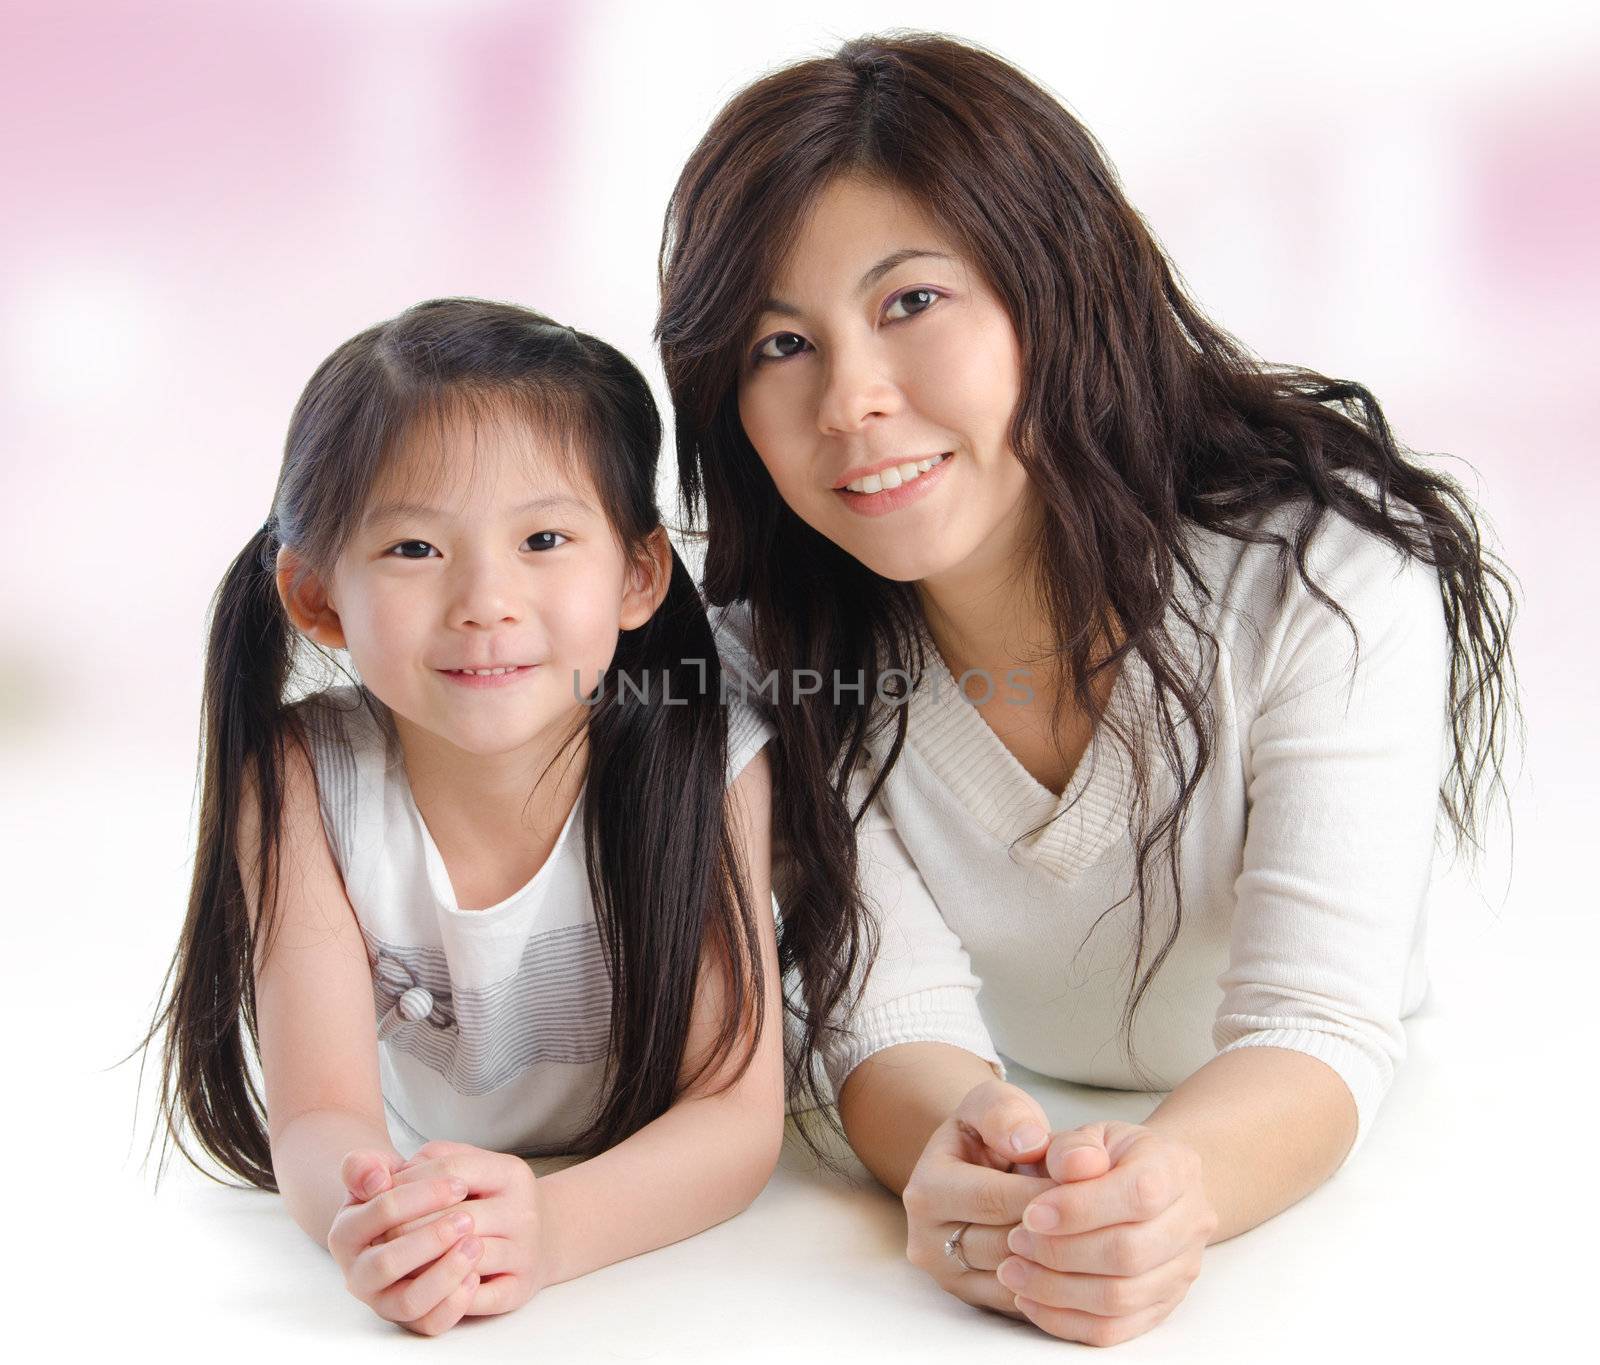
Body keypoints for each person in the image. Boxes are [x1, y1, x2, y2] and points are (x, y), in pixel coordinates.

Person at [656, 33, 1516, 1347]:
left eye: (909, 303)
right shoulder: (774, 653)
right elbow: (890, 1015)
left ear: (1053, 287)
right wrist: (963, 1158)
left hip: (1346, 1209)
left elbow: (1316, 1018)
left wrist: (1167, 1192)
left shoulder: (1327, 583)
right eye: (781, 343)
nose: (852, 401)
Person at [147, 298, 784, 1336]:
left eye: (542, 537)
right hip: (433, 1184)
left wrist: (546, 1228)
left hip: (642, 1248)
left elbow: (733, 1121)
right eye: (412, 549)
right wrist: (381, 1222)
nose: (485, 600)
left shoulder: (706, 763)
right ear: (317, 600)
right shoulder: (303, 777)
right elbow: (318, 1114)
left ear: (637, 574)